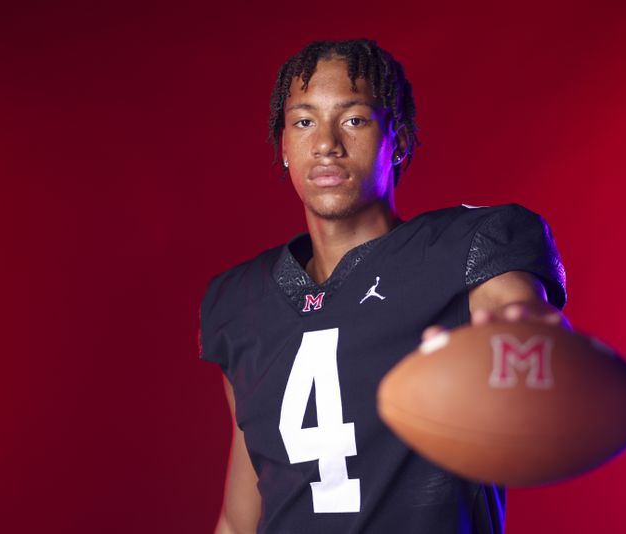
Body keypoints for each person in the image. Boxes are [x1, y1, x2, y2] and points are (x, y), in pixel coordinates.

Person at [199, 38, 567, 534]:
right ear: (283, 146)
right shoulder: (240, 302)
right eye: (304, 121)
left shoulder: (466, 247)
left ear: (401, 137)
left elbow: (518, 325)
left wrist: (527, 340)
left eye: (354, 119)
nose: (326, 143)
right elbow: (240, 520)